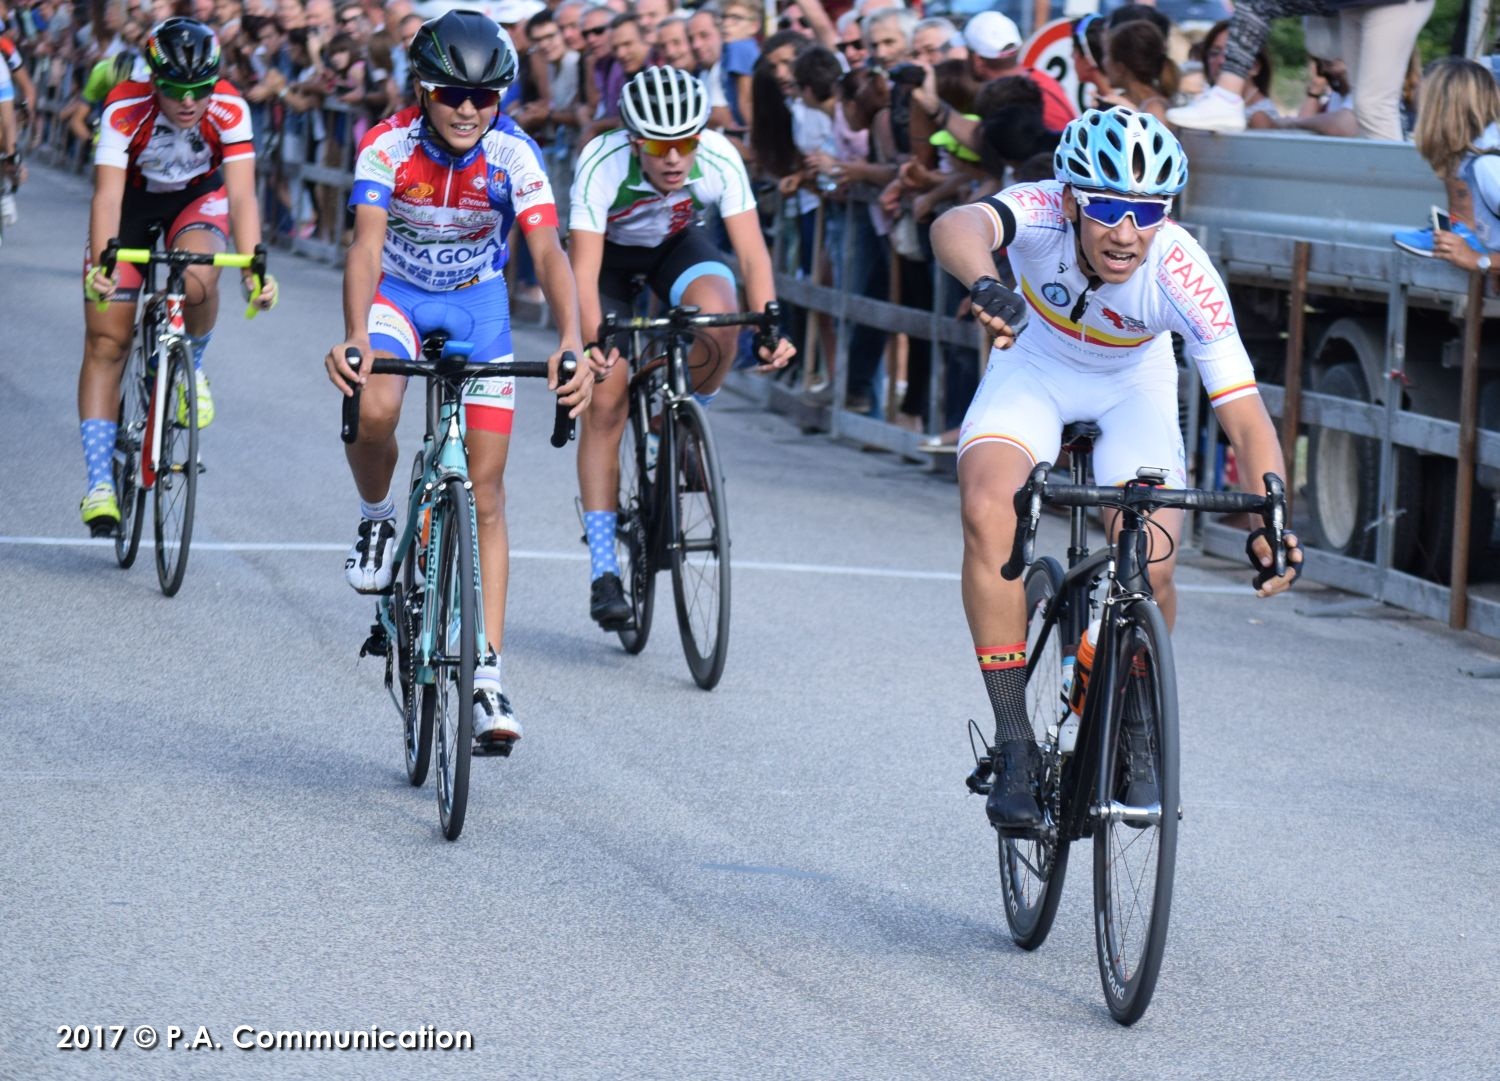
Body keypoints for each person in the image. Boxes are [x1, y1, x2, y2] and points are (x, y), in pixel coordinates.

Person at [929, 107, 1302, 832]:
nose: (1125, 231)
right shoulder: (1038, 209)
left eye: (1147, 211)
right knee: (987, 506)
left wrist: (1271, 517)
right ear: (1071, 199)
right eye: (1105, 207)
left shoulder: (1182, 270)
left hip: (1133, 385)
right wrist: (985, 284)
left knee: (1154, 560)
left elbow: (1247, 415)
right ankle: (1013, 742)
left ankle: (1134, 718)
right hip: (1032, 368)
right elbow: (956, 226)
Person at [323, 10, 591, 751]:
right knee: (375, 405)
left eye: (486, 94)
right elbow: (366, 247)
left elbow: (548, 249)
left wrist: (572, 340)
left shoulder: (514, 152)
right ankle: (378, 518)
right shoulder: (387, 146)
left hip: (478, 306)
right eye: (451, 94)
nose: (469, 109)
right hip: (398, 297)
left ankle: (487, 673)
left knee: (488, 486)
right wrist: (355, 334)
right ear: (422, 89)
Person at [569, 66, 795, 628]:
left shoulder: (719, 156)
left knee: (722, 318)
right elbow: (584, 271)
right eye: (659, 146)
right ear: (633, 139)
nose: (674, 158)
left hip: (674, 247)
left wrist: (770, 328)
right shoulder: (602, 162)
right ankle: (603, 570)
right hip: (609, 265)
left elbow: (753, 254)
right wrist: (593, 344)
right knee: (606, 396)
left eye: (685, 144)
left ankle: (683, 421)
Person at [78, 17, 278, 535]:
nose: (189, 102)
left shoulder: (231, 107)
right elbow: (106, 195)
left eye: (200, 90)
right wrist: (104, 261)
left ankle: (194, 365)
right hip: (131, 203)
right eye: (175, 90)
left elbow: (240, 195)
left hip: (195, 197)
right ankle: (101, 482)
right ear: (154, 81)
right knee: (107, 339)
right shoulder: (125, 106)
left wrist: (255, 264)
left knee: (198, 277)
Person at [1405, 58, 1500, 272]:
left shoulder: (1487, 168)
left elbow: (1479, 260)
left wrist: (1480, 260)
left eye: (1424, 106)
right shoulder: (1470, 162)